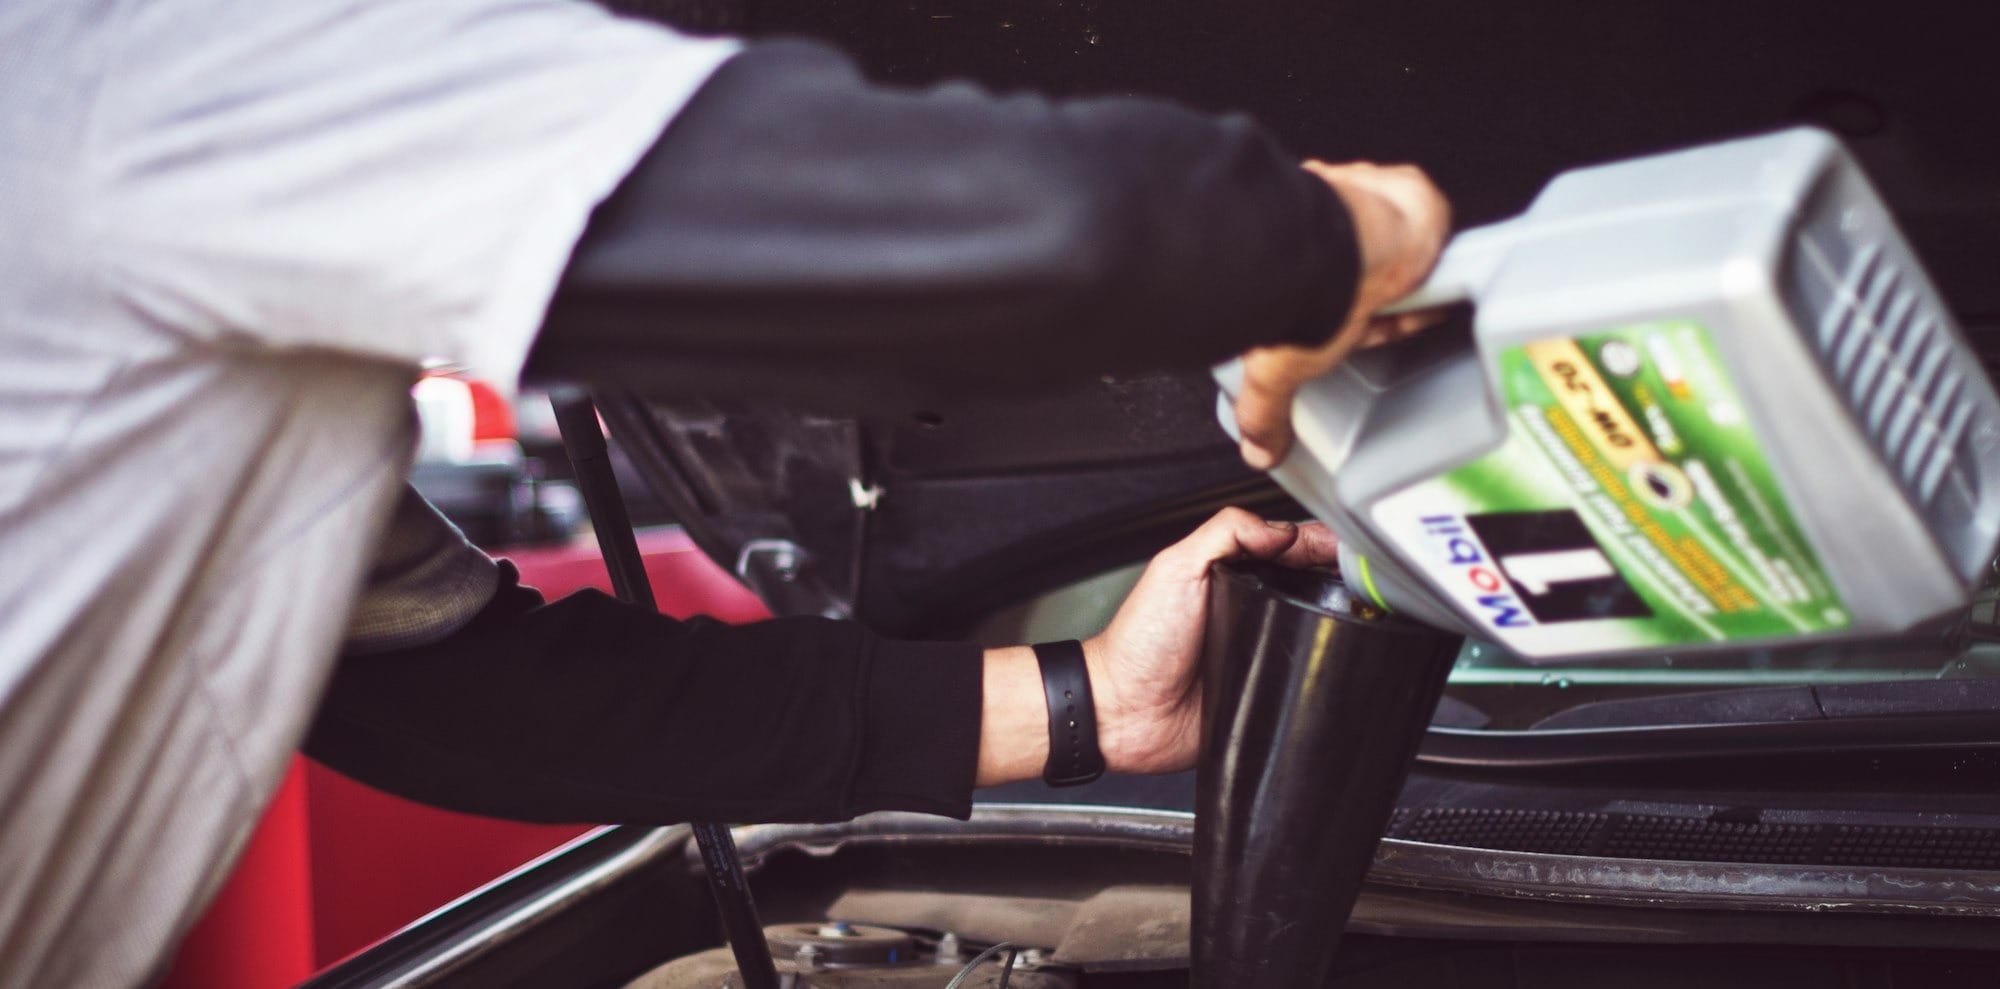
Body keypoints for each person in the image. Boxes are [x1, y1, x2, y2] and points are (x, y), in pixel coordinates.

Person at [0, 0, 1447, 985]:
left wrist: (1087, 704)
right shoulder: (143, 68)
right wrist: (1351, 232)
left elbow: (440, 691)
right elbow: (1001, 222)